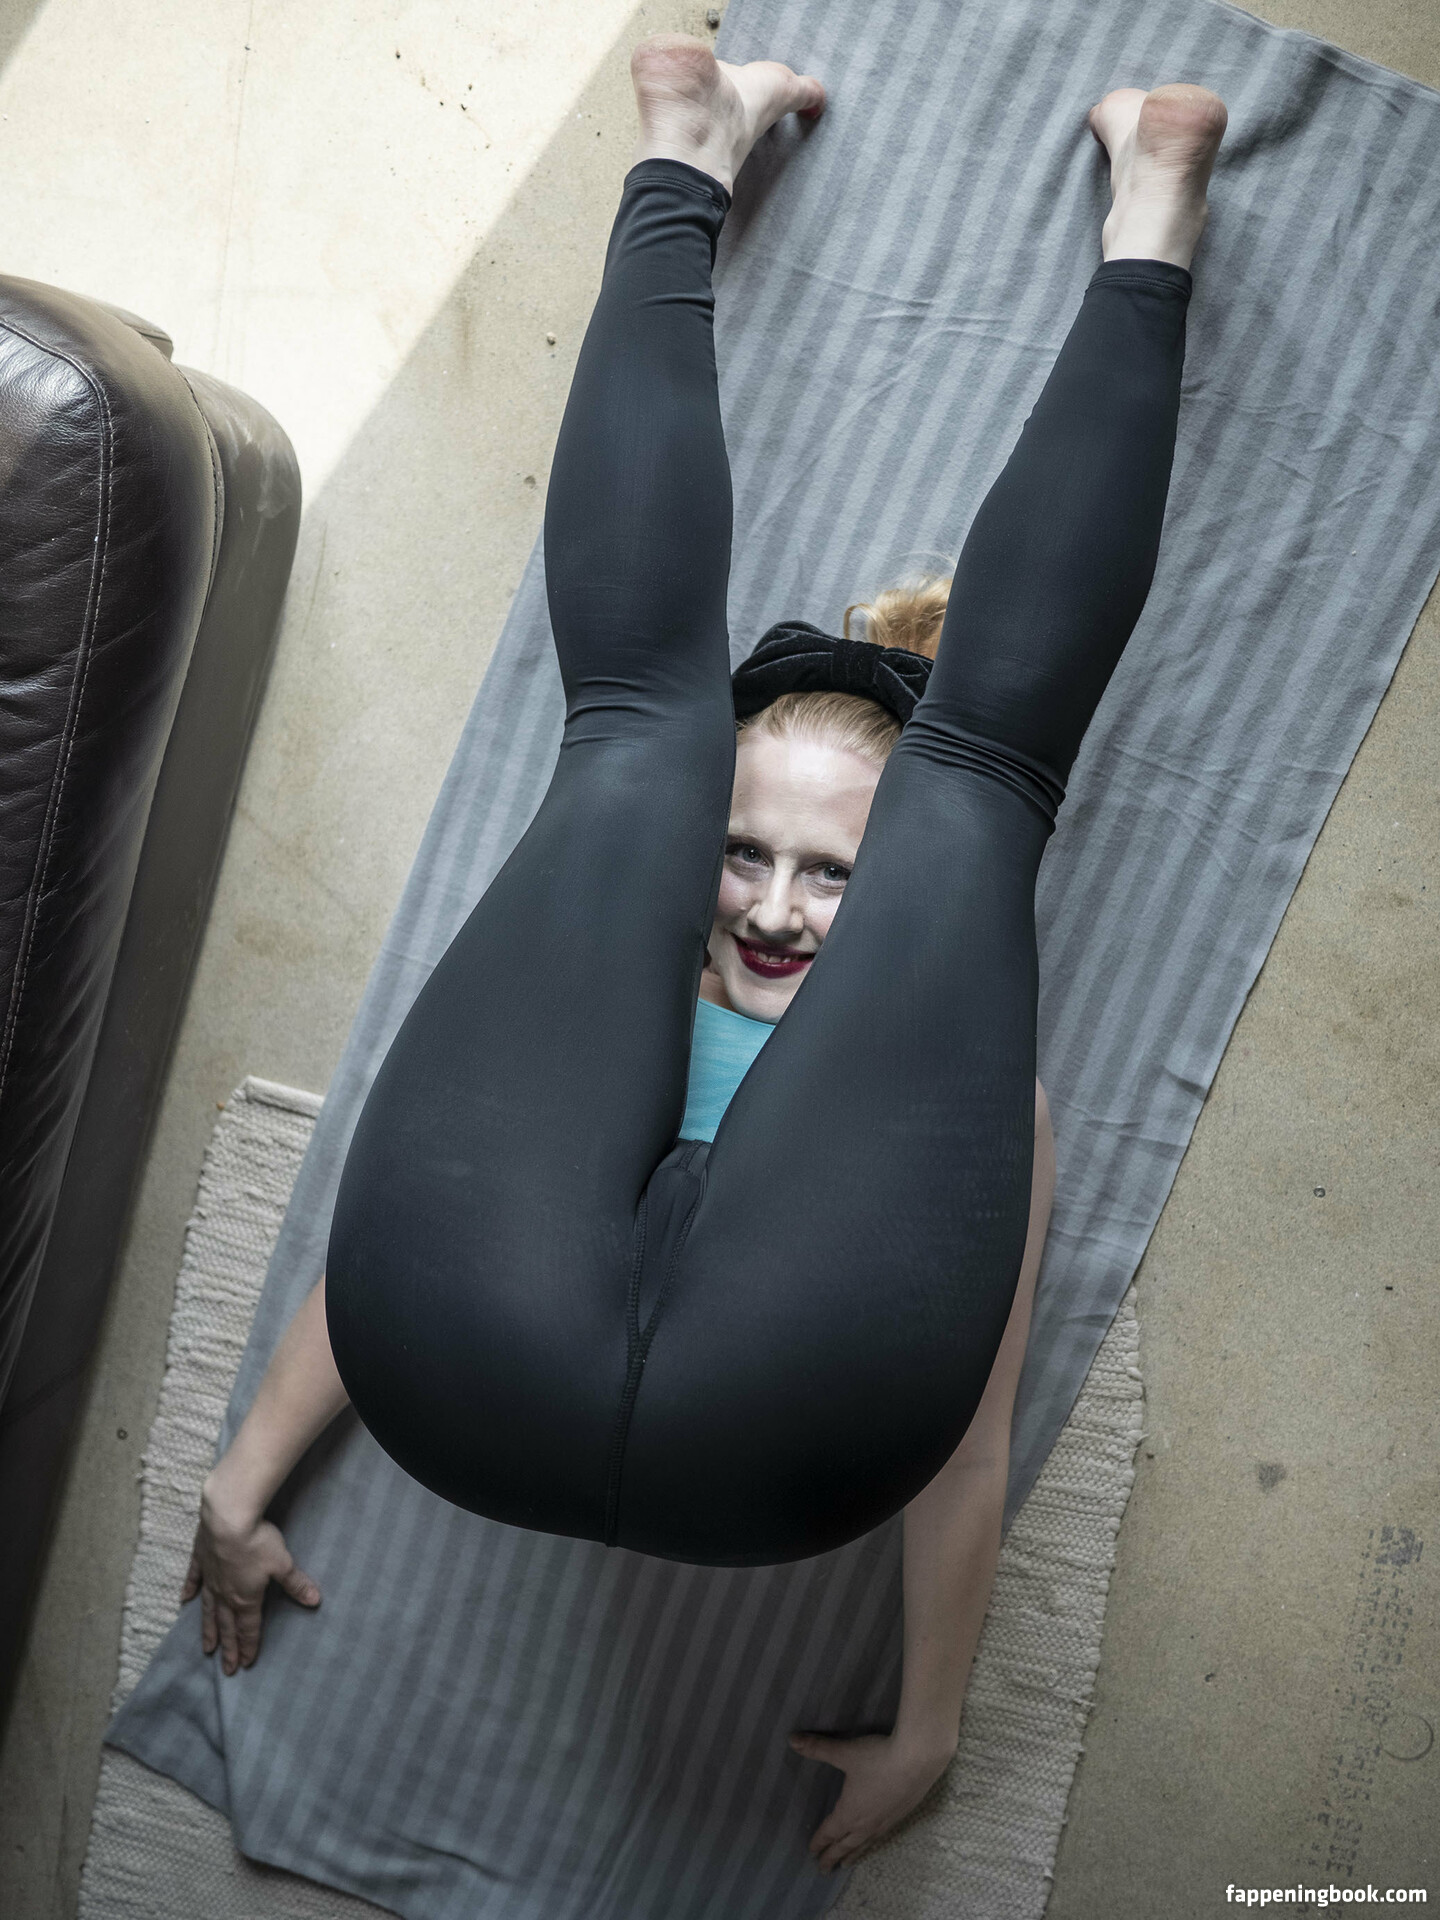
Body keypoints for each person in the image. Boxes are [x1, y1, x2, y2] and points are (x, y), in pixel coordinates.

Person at [184, 37, 1226, 1873]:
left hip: (700, 1409)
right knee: (909, 769)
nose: (768, 908)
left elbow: (969, 1425)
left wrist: (936, 1712)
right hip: (543, 1376)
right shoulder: (648, 1014)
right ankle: (1146, 204)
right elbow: (416, 1232)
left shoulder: (972, 1106)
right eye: (742, 855)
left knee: (716, 734)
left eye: (832, 878)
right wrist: (239, 1480)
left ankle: (695, 157)